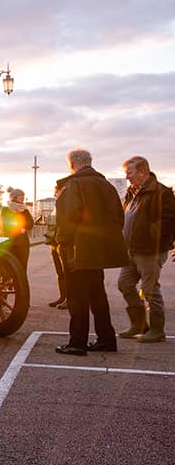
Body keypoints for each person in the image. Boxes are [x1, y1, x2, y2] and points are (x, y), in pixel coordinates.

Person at [55, 149, 127, 356]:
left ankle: (77, 342)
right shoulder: (106, 185)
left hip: (78, 250)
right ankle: (106, 338)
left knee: (77, 296)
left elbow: (68, 218)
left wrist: (62, 241)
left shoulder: (73, 184)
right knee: (97, 294)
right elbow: (119, 217)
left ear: (71, 164)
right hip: (99, 250)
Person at [116, 156, 175, 343]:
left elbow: (169, 223)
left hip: (150, 251)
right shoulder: (131, 192)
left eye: (130, 172)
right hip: (131, 250)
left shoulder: (161, 192)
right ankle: (139, 324)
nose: (127, 177)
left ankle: (157, 330)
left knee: (150, 289)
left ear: (143, 171)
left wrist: (158, 245)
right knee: (124, 284)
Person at [45, 184, 69, 309]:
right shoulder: (56, 206)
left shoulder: (66, 205)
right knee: (60, 272)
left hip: (62, 242)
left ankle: (69, 299)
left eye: (56, 192)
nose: (55, 195)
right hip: (53, 241)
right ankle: (62, 296)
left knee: (66, 272)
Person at [2, 187, 34, 270]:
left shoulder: (24, 210)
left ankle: (23, 283)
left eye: (23, 196)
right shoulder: (5, 210)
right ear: (14, 197)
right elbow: (5, 224)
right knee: (10, 268)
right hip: (10, 243)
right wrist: (21, 227)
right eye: (21, 196)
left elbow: (30, 223)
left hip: (23, 244)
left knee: (22, 267)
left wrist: (21, 226)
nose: (23, 198)